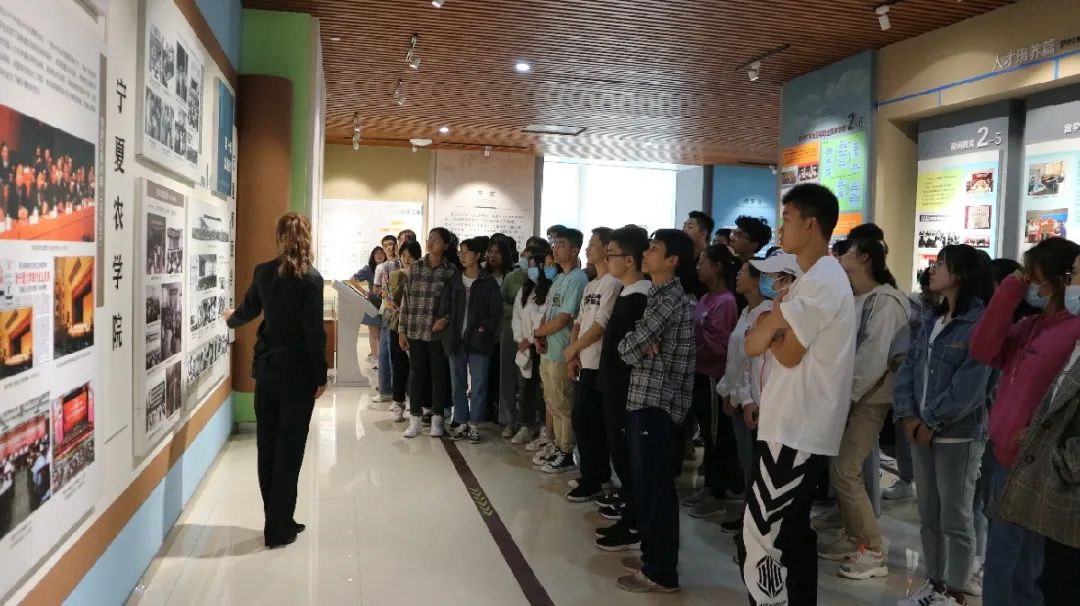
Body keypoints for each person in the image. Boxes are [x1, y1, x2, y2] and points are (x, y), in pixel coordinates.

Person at [740, 184, 856, 605]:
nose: (780, 227)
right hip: (790, 424)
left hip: (797, 427)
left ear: (811, 224)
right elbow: (752, 343)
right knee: (790, 533)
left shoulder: (823, 281)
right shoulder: (810, 280)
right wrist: (774, 325)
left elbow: (786, 353)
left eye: (786, 218)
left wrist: (773, 324)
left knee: (763, 536)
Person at [971, 237, 1080, 606]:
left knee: (1013, 568)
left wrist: (1039, 440)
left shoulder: (1073, 330)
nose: (1029, 284)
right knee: (1004, 562)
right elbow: (982, 348)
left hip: (1033, 463)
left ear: (1059, 279)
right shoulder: (1032, 325)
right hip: (1000, 453)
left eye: (1033, 277)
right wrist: (1008, 292)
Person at [892, 244, 994, 606]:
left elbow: (971, 387)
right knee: (929, 516)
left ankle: (955, 590)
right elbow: (908, 369)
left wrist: (932, 420)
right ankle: (934, 583)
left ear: (961, 274)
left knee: (956, 517)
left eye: (941, 264)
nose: (932, 270)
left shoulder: (979, 323)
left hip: (958, 436)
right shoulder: (932, 319)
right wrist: (908, 415)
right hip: (920, 430)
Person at [224, 212, 327, 548]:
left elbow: (247, 311)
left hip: (268, 370)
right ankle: (278, 525)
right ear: (307, 237)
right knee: (290, 450)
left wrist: (231, 319)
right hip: (298, 375)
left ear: (279, 237)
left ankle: (278, 519)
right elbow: (314, 335)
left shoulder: (264, 272)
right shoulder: (312, 279)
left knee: (267, 447)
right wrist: (320, 376)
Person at [819, 239, 910, 579]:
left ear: (865, 258)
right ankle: (853, 534)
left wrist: (846, 397)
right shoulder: (855, 297)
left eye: (848, 252)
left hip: (868, 398)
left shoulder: (885, 302)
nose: (840, 256)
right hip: (847, 396)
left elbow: (874, 357)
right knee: (840, 468)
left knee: (846, 469)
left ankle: (872, 548)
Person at [614, 229, 695, 594]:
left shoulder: (669, 298)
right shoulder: (658, 295)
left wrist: (639, 343)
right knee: (645, 486)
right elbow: (636, 344)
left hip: (657, 403)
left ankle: (661, 571)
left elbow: (628, 349)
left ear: (672, 260)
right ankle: (651, 556)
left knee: (656, 490)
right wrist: (640, 342)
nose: (646, 254)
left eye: (654, 249)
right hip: (644, 399)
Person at [594, 225, 651, 553]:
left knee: (628, 459)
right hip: (614, 388)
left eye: (611, 254)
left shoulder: (639, 297)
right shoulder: (628, 293)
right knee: (620, 455)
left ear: (629, 260)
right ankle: (630, 515)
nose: (606, 259)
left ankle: (635, 522)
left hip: (626, 392)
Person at [681, 243, 741, 519]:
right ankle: (709, 487)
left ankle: (718, 492)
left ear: (717, 267)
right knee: (707, 432)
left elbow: (720, 345)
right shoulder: (705, 299)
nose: (698, 267)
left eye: (703, 262)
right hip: (699, 374)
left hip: (713, 377)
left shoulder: (725, 302)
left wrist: (697, 335)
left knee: (717, 435)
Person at [564, 227, 621, 501]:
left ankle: (596, 477)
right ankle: (593, 473)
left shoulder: (613, 283)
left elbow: (601, 324)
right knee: (582, 419)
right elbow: (579, 321)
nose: (588, 248)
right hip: (584, 360)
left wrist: (575, 347)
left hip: (600, 363)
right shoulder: (590, 284)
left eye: (593, 244)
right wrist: (573, 352)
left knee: (590, 420)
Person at [533, 227, 589, 474]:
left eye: (562, 245)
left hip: (562, 350)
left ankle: (567, 452)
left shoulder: (577, 279)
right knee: (552, 402)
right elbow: (549, 312)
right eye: (554, 245)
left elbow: (564, 318)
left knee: (564, 403)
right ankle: (557, 445)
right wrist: (539, 335)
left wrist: (538, 333)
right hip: (548, 349)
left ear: (575, 250)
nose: (555, 249)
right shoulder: (559, 278)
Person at [399, 228, 460, 439]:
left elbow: (456, 304)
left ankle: (437, 419)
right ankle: (415, 420)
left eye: (437, 240)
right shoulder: (415, 268)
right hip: (415, 330)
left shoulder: (451, 271)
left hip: (438, 333)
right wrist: (402, 330)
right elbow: (406, 300)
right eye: (430, 238)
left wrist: (446, 319)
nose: (431, 242)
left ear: (446, 245)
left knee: (438, 376)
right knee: (416, 375)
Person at [441, 238, 502, 443]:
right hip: (456, 339)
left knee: (479, 384)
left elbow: (496, 312)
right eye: (460, 252)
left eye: (466, 252)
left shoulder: (488, 282)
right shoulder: (454, 280)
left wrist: (483, 327)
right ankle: (461, 421)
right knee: (457, 382)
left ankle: (474, 423)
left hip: (479, 340)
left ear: (478, 255)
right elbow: (445, 308)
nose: (462, 256)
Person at [512, 249, 555, 446]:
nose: (532, 270)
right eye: (529, 266)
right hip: (525, 346)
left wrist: (531, 338)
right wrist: (520, 338)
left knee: (543, 388)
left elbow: (544, 318)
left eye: (535, 266)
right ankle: (526, 426)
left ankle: (545, 428)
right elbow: (517, 316)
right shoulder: (525, 290)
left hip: (543, 344)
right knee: (525, 387)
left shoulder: (551, 289)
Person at [491, 238, 527, 439]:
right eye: (524, 256)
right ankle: (507, 420)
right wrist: (518, 310)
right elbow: (500, 301)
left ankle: (527, 421)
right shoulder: (513, 277)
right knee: (506, 375)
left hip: (532, 332)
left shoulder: (546, 279)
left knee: (526, 377)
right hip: (509, 327)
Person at [386, 240, 420, 422]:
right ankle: (398, 402)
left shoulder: (422, 275)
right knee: (398, 365)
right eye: (404, 256)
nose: (407, 260)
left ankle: (415, 402)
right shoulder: (395, 275)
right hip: (397, 325)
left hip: (416, 326)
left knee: (416, 367)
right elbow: (393, 298)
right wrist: (406, 277)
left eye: (411, 256)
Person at [372, 235, 399, 404]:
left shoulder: (401, 264)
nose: (389, 248)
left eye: (391, 244)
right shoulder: (381, 267)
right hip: (387, 311)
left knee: (395, 354)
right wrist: (384, 293)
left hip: (400, 311)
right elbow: (376, 288)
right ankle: (385, 390)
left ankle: (398, 392)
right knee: (383, 352)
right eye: (386, 245)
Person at [728, 216, 774, 311]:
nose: (732, 238)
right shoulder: (729, 262)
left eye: (739, 235)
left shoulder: (760, 269)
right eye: (734, 232)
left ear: (753, 245)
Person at [351, 246, 387, 370]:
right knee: (373, 332)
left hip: (386, 303)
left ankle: (381, 358)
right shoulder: (368, 269)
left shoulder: (388, 267)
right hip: (372, 303)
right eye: (376, 253)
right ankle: (376, 359)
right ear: (372, 256)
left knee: (383, 332)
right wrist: (364, 292)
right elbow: (353, 279)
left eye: (381, 253)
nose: (379, 255)